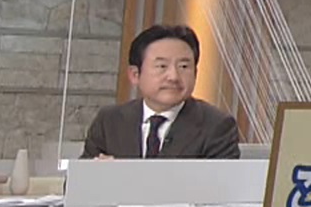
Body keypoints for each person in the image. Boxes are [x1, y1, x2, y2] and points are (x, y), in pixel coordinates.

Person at [81, 24, 240, 160]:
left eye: (184, 67)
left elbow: (220, 185)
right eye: (162, 66)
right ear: (135, 75)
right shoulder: (109, 121)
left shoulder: (217, 126)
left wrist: (119, 177)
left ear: (195, 73)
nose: (173, 76)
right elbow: (79, 180)